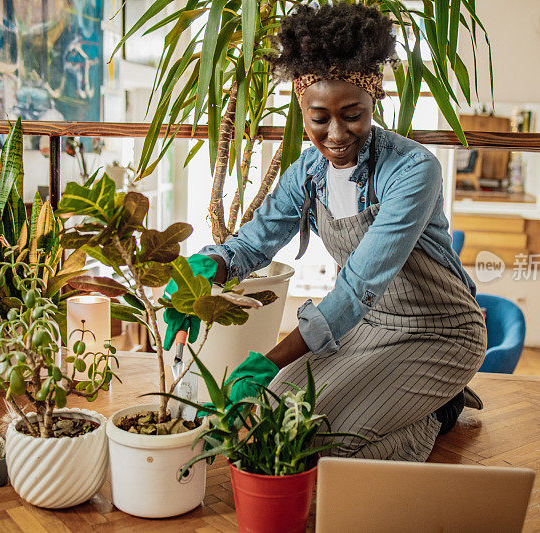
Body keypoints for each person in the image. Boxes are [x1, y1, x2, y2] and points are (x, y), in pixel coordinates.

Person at [185, 3, 486, 462]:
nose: (337, 134)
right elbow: (252, 242)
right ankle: (422, 399)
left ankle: (440, 406)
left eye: (353, 114)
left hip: (439, 331)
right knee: (273, 420)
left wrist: (270, 360)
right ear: (302, 110)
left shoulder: (411, 169)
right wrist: (206, 270)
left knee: (321, 444)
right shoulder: (307, 173)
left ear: (373, 103)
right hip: (367, 325)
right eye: (320, 118)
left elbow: (359, 284)